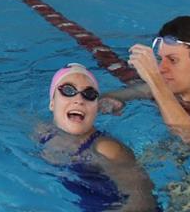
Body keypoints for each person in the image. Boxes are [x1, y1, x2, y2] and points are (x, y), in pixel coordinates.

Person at [39, 63, 157, 212]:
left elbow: (142, 200)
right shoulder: (43, 133)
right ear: (52, 103)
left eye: (89, 94)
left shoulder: (106, 149)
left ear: (95, 109)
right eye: (68, 90)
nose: (79, 100)